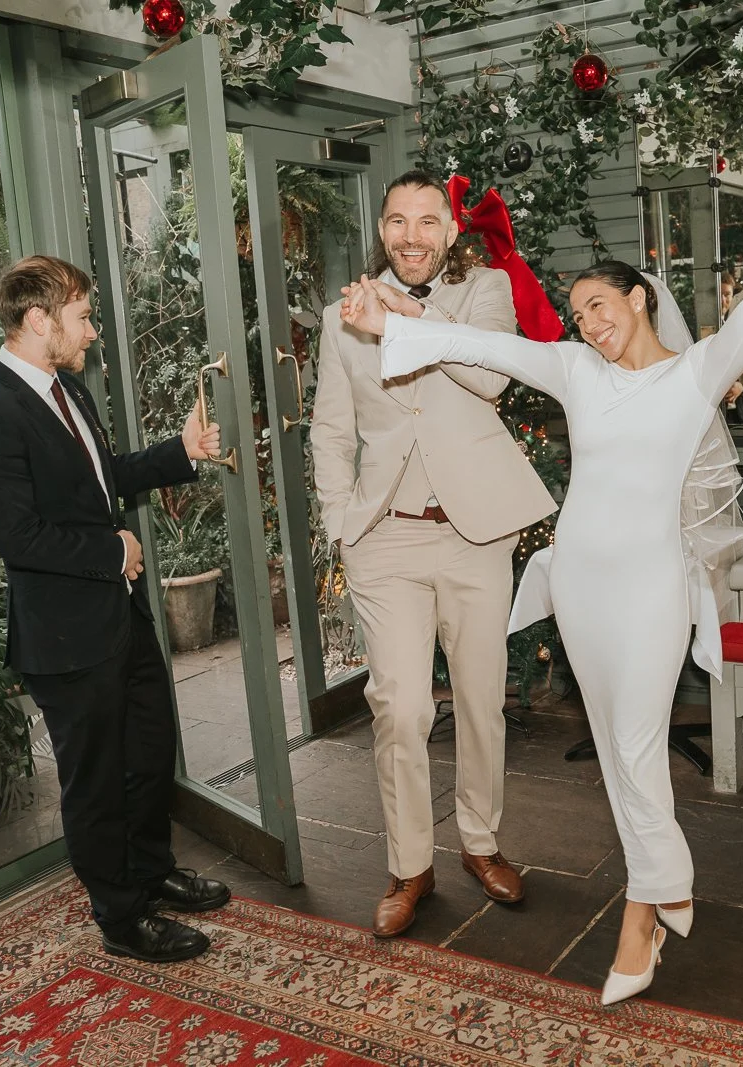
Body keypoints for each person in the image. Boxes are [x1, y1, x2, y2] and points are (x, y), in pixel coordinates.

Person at [337, 165, 743, 1004]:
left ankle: (650, 904)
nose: (586, 323)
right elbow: (482, 347)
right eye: (576, 313)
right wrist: (396, 321)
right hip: (582, 596)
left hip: (650, 593)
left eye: (599, 305)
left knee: (636, 751)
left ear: (639, 299)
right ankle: (664, 886)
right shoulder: (575, 371)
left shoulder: (699, 373)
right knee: (616, 753)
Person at [0, 255, 230, 963]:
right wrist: (113, 552)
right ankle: (122, 915)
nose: (93, 332)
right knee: (97, 781)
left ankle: (151, 869)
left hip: (117, 619)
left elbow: (104, 482)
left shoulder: (65, 388)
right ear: (38, 320)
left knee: (147, 750)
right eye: (83, 316)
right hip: (67, 638)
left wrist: (181, 451)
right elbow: (20, 539)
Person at [310, 169, 558, 939]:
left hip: (475, 530)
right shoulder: (339, 317)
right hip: (385, 535)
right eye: (397, 222)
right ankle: (409, 865)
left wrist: (408, 316)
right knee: (402, 707)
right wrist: (339, 522)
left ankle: (479, 842)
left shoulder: (482, 293)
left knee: (482, 701)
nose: (411, 236)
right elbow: (331, 429)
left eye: (427, 222)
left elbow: (488, 378)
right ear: (381, 230)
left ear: (449, 232)